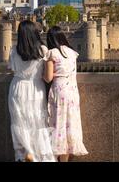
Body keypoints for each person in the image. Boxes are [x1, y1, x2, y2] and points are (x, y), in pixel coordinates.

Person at [8, 21, 55, 162]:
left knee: (19, 123)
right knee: (38, 122)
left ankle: (24, 153)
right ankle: (37, 154)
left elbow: (11, 69)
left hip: (17, 88)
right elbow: (48, 77)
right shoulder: (43, 50)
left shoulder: (14, 50)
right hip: (35, 88)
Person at [43, 26, 88, 162]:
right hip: (73, 92)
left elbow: (48, 77)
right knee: (70, 126)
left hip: (59, 92)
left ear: (50, 39)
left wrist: (43, 74)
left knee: (58, 126)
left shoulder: (52, 53)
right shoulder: (72, 53)